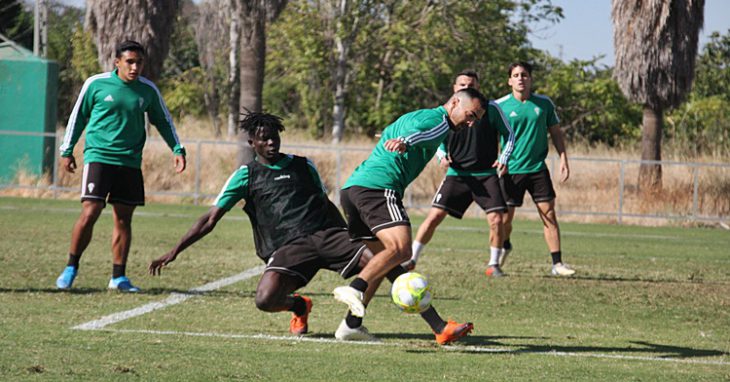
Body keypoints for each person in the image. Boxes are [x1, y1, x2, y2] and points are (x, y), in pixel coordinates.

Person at [149, 112, 468, 345]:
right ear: (252, 143)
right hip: (288, 247)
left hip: (329, 236)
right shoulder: (246, 175)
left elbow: (325, 202)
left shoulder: (304, 165)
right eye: (264, 138)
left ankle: (440, 327)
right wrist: (175, 250)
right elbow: (210, 218)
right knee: (265, 299)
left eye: (275, 136)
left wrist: (352, 235)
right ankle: (299, 305)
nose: (271, 142)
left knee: (384, 260)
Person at [332, 88, 487, 342]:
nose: (472, 123)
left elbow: (406, 131)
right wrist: (407, 142)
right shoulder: (439, 121)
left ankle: (353, 325)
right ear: (455, 102)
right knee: (402, 250)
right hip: (378, 188)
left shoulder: (419, 116)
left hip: (353, 190)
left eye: (476, 119)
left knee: (387, 262)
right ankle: (355, 288)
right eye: (471, 115)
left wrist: (400, 137)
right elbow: (424, 134)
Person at [55, 40, 186, 292]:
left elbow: (163, 120)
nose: (135, 67)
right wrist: (67, 150)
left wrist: (177, 149)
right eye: (130, 62)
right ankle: (71, 267)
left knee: (123, 220)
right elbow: (77, 117)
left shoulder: (147, 90)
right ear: (117, 62)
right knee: (90, 211)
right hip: (99, 157)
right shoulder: (96, 84)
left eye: (139, 62)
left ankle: (118, 277)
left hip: (129, 161)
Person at [408, 70, 515, 277]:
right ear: (455, 90)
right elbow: (434, 136)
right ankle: (411, 259)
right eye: (463, 85)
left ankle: (493, 264)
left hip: (486, 174)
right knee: (434, 216)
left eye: (472, 85)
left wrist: (504, 157)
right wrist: (441, 154)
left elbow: (509, 133)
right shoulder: (446, 111)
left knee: (497, 219)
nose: (467, 87)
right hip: (457, 174)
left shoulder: (491, 109)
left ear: (478, 88)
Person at [495, 61, 575, 276]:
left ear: (530, 79)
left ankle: (557, 264)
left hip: (537, 168)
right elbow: (490, 135)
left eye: (524, 75)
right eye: (516, 75)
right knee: (505, 220)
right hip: (510, 170)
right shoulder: (499, 106)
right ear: (509, 80)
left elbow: (556, 133)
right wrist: (494, 160)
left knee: (549, 214)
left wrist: (564, 159)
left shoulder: (544, 104)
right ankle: (505, 244)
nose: (521, 78)